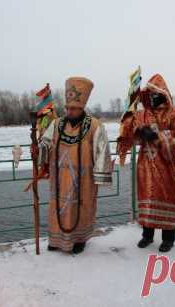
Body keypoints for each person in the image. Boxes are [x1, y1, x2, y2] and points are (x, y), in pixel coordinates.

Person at [39, 77, 113, 254]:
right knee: (58, 207)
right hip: (59, 178)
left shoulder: (95, 126)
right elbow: (47, 142)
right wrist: (40, 148)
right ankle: (56, 239)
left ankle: (80, 239)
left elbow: (102, 150)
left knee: (81, 207)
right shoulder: (57, 124)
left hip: (83, 180)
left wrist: (101, 174)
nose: (70, 111)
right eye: (68, 108)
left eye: (74, 108)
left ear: (81, 108)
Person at [117, 74, 175, 252]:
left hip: (166, 164)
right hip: (146, 164)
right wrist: (135, 125)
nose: (153, 97)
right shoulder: (142, 113)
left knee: (167, 196)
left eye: (156, 94)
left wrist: (157, 136)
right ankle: (147, 235)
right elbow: (128, 135)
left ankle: (168, 239)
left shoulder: (174, 113)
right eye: (150, 94)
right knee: (147, 196)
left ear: (164, 94)